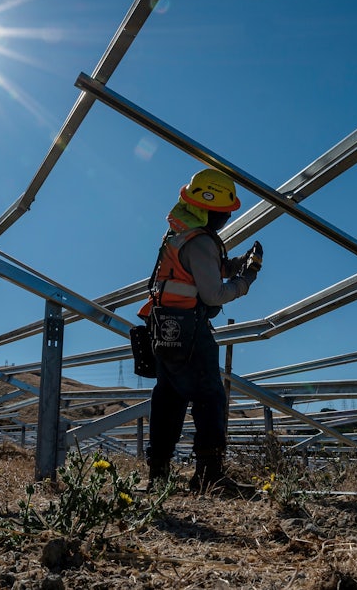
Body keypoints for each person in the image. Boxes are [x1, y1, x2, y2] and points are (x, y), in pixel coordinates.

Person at [140, 168, 263, 494]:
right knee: (210, 395)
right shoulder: (202, 241)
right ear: (209, 210)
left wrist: (236, 263)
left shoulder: (178, 235)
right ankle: (209, 476)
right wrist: (245, 281)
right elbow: (213, 294)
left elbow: (201, 269)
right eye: (224, 213)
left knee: (169, 398)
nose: (224, 219)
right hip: (192, 330)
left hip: (165, 330)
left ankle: (159, 477)